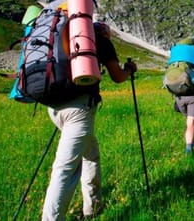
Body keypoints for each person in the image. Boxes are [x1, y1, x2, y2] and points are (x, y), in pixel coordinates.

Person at [42, 22, 137, 220]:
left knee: (90, 155)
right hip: (79, 110)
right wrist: (129, 70)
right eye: (109, 33)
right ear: (103, 31)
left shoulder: (65, 38)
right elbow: (118, 77)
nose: (110, 36)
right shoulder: (99, 41)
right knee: (65, 169)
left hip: (53, 106)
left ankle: (93, 208)